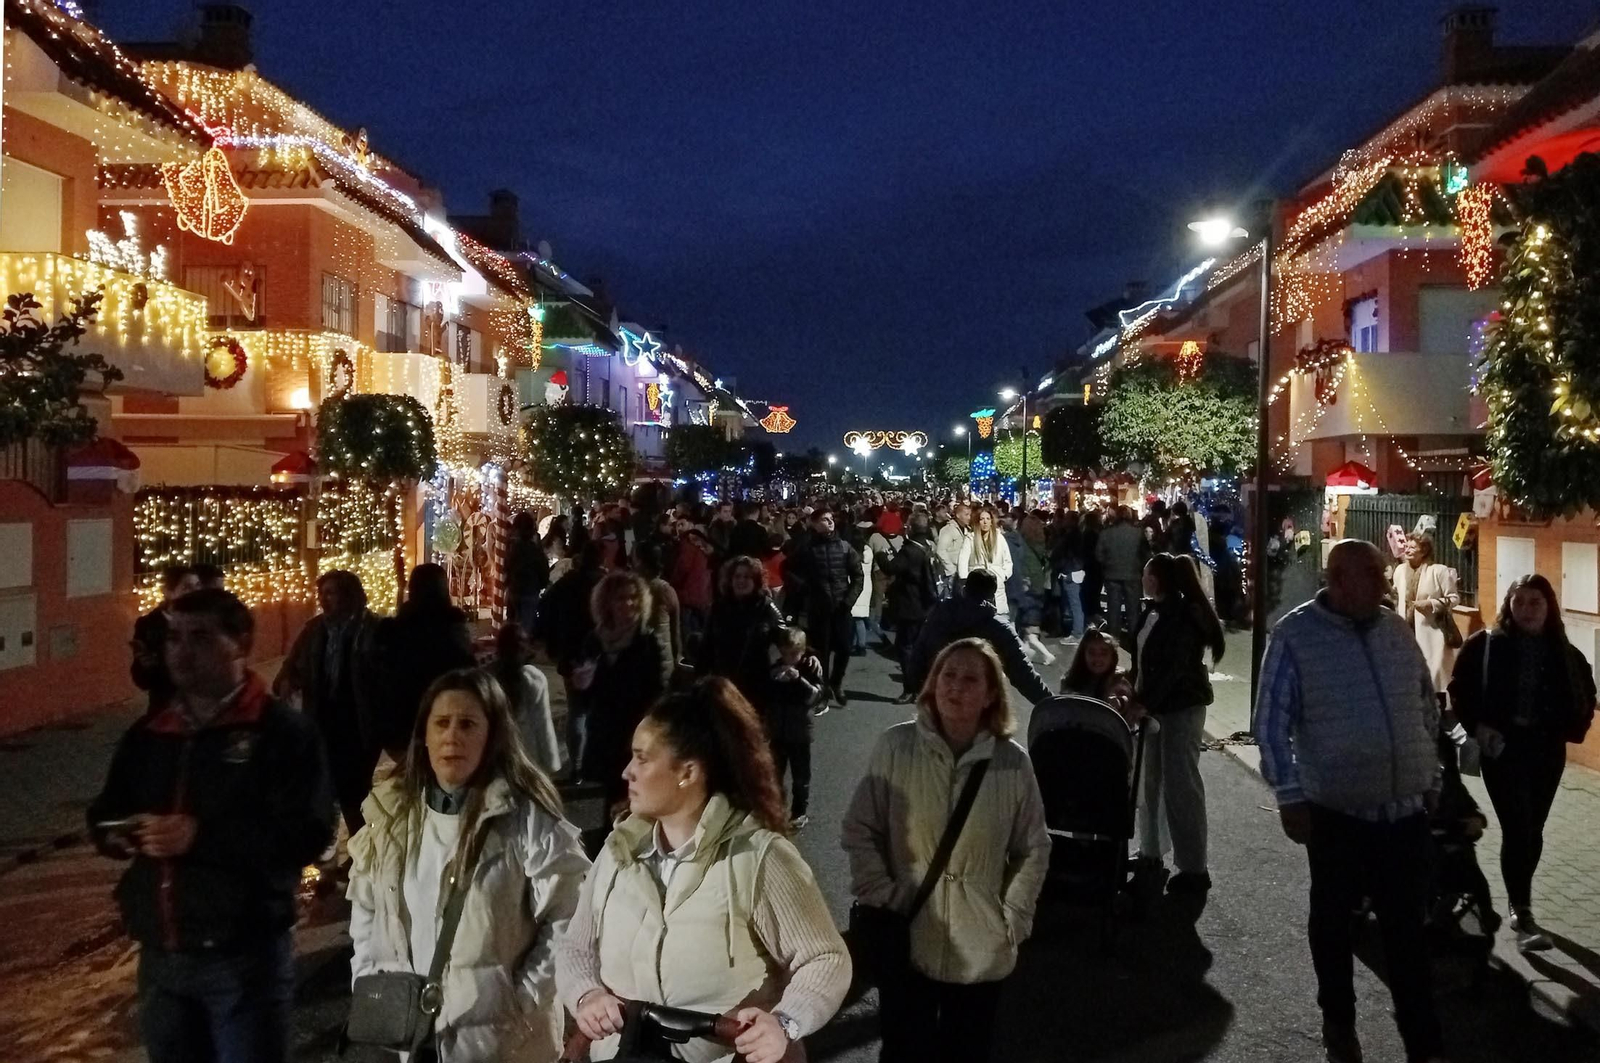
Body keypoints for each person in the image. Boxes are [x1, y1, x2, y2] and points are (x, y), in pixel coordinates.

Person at [89, 588, 334, 1063]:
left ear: (239, 642)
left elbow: (308, 832)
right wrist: (119, 831)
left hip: (243, 960)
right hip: (162, 957)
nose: (181, 651)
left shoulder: (282, 733)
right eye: (174, 638)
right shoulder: (152, 734)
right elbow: (104, 812)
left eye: (200, 637)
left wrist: (200, 836)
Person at [556, 679, 851, 1063]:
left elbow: (825, 957)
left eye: (642, 758)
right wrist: (586, 994)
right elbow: (576, 947)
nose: (627, 771)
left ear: (687, 772)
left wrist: (784, 1022)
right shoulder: (618, 853)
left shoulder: (758, 858)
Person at [1254, 540, 1444, 1063]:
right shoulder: (1295, 636)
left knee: (1408, 934)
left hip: (1403, 813)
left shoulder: (1394, 630)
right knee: (1334, 927)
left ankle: (1423, 1042)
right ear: (1341, 580)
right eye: (1376, 575)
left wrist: (1432, 776)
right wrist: (1290, 795)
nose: (1385, 584)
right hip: (1337, 814)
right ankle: (1339, 1024)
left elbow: (1424, 706)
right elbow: (1270, 724)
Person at [348, 669, 589, 1062]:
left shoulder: (528, 821)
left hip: (505, 1044)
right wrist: (369, 976)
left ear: (492, 736)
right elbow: (367, 909)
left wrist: (521, 997)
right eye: (441, 723)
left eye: (467, 724)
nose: (452, 736)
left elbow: (569, 918)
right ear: (423, 735)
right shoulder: (392, 820)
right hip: (416, 1038)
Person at [842, 638, 1050, 1063]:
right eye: (947, 674)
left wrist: (1013, 918)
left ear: (991, 694)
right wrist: (882, 892)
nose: (955, 686)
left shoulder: (1013, 763)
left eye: (970, 678)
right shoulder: (896, 746)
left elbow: (1033, 846)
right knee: (903, 1051)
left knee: (967, 1052)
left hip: (980, 943)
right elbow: (861, 827)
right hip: (908, 935)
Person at [1449, 574, 1597, 952]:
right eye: (1520, 602)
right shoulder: (1486, 645)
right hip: (1504, 749)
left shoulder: (1563, 650)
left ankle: (1521, 899)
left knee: (1533, 828)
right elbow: (1459, 688)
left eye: (1536, 602)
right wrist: (1478, 726)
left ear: (1549, 608)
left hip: (1546, 750)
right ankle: (1523, 909)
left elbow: (1586, 690)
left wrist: (1571, 728)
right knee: (1517, 826)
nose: (1528, 610)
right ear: (1508, 605)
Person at [1130, 554, 1226, 894]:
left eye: (1144, 572)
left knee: (1181, 786)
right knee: (1149, 781)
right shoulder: (1154, 611)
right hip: (1155, 708)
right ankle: (1151, 850)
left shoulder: (1179, 616)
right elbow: (1143, 661)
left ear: (1155, 578)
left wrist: (1144, 704)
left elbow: (1173, 670)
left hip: (1180, 709)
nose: (1141, 577)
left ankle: (1193, 866)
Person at [274, 570, 382, 835]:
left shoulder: (371, 629)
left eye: (330, 593)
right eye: (321, 594)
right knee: (324, 790)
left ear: (349, 595)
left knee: (353, 793)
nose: (324, 600)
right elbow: (292, 665)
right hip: (322, 721)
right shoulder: (315, 629)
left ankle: (362, 855)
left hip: (357, 724)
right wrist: (287, 680)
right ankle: (331, 854)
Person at [569, 571, 666, 807]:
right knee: (602, 804)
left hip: (633, 733)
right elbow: (584, 698)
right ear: (607, 603)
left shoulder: (647, 642)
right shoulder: (594, 640)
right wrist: (581, 685)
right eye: (621, 598)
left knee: (633, 802)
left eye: (633, 597)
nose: (629, 603)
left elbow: (659, 691)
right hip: (602, 734)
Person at [375, 564, 477, 761]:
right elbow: (465, 668)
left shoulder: (395, 628)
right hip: (439, 716)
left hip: (401, 720)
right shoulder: (451, 626)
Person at [906, 570, 1052, 706]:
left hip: (939, 696)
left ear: (965, 589)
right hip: (977, 705)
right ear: (991, 595)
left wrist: (919, 690)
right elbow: (1023, 674)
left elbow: (919, 652)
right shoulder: (998, 628)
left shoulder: (939, 615)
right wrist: (1052, 703)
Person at [797, 510, 864, 708]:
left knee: (844, 648)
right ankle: (823, 690)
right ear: (815, 524)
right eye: (825, 520)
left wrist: (848, 601)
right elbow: (789, 569)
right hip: (820, 610)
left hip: (842, 608)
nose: (830, 522)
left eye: (831, 519)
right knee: (821, 653)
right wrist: (806, 590)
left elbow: (858, 576)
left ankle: (836, 682)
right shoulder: (807, 548)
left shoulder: (844, 547)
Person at [761, 626, 826, 829]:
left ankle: (799, 811)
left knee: (800, 776)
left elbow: (815, 696)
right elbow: (767, 696)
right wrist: (774, 679)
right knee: (776, 773)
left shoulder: (810, 669)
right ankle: (776, 809)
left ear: (803, 651)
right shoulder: (775, 669)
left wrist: (798, 679)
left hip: (800, 733)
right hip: (778, 731)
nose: (790, 658)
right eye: (786, 653)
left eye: (794, 654)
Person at [700, 554, 786, 701]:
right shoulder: (718, 607)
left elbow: (787, 638)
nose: (741, 580)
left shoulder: (765, 607)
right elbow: (706, 647)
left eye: (747, 577)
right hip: (723, 687)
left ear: (756, 581)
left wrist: (807, 656)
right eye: (737, 576)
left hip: (755, 688)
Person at [1393, 533, 1461, 702]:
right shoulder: (1400, 571)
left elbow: (1454, 599)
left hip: (1432, 634)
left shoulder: (1439, 571)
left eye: (1412, 547)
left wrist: (1431, 604)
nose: (1407, 550)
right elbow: (1397, 595)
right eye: (1406, 546)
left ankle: (1439, 715)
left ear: (1424, 551)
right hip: (1407, 633)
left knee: (1434, 676)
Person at [492, 621, 563, 776]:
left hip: (495, 755)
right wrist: (551, 763)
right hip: (527, 754)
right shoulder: (534, 679)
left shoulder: (489, 678)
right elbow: (542, 723)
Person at [130, 565, 199, 717]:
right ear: (168, 592)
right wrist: (147, 666)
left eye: (197, 586)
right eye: (187, 587)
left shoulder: (206, 621)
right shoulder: (149, 625)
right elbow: (142, 680)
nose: (195, 593)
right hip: (167, 710)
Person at [885, 513, 940, 703]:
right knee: (919, 646)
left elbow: (892, 568)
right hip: (926, 603)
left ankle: (911, 688)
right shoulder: (929, 545)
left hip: (910, 603)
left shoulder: (910, 550)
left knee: (905, 647)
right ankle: (921, 686)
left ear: (911, 527)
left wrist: (881, 555)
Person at [1061, 626, 1137, 719]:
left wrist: (1119, 703)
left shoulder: (1119, 680)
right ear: (1083, 655)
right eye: (1091, 652)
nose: (1097, 658)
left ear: (1112, 657)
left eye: (1103, 653)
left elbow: (1125, 699)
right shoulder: (1071, 679)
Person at [1096, 506, 1147, 644]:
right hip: (1133, 575)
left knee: (1113, 608)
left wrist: (1108, 564)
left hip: (1112, 574)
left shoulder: (1106, 533)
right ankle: (1134, 638)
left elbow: (1099, 555)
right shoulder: (1138, 533)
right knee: (1133, 609)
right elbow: (1145, 554)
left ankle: (1113, 638)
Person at [634, 540, 684, 682]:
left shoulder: (633, 590)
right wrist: (676, 658)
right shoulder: (666, 590)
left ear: (640, 561)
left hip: (639, 665)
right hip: (664, 663)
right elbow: (675, 632)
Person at [1014, 510, 1055, 664]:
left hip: (1028, 585)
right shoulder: (1040, 543)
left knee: (1028, 625)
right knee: (1029, 626)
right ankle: (1026, 653)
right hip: (1038, 584)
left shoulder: (1023, 545)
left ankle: (1045, 654)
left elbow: (1022, 565)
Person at [958, 507, 1014, 620]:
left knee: (1000, 618)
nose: (985, 522)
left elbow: (1008, 561)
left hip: (996, 582)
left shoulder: (999, 538)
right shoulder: (970, 538)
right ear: (977, 521)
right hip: (976, 583)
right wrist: (965, 579)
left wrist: (1003, 575)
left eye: (988, 518)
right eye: (982, 519)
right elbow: (962, 562)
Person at [504, 511, 551, 642]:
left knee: (513, 621)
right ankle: (521, 649)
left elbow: (506, 566)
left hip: (514, 587)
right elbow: (542, 566)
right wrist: (542, 582)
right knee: (525, 625)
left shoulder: (511, 546)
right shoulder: (533, 548)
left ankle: (511, 646)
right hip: (530, 589)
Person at [1050, 510, 1087, 644]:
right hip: (1073, 571)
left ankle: (1077, 633)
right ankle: (1077, 631)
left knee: (1074, 604)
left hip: (1070, 571)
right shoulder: (1076, 535)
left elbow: (1063, 553)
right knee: (1074, 604)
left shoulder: (1070, 537)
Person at [933, 501, 972, 598]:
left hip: (963, 572)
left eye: (970, 515)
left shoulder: (968, 529)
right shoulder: (948, 530)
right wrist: (951, 570)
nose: (969, 517)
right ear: (958, 515)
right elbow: (941, 550)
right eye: (966, 514)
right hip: (951, 574)